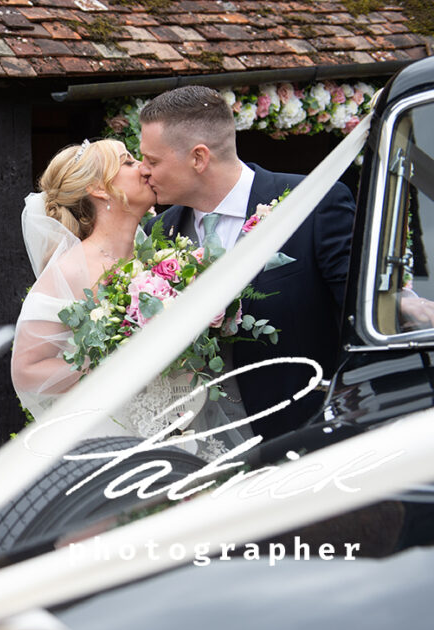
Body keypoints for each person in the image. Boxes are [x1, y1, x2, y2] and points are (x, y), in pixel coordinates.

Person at [138, 85, 356, 441]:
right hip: (196, 445)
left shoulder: (312, 205)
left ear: (198, 158)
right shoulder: (156, 233)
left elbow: (358, 315)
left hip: (302, 434)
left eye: (153, 161)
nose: (144, 172)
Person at [11, 139, 154, 419]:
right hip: (107, 426)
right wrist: (114, 367)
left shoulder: (155, 257)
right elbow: (26, 371)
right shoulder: (71, 269)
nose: (144, 167)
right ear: (99, 189)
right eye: (128, 162)